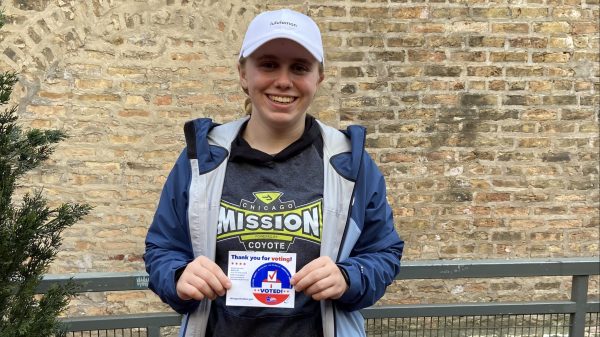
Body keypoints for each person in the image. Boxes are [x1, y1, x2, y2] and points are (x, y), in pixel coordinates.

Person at [144, 8, 404, 337]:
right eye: (268, 64)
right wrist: (179, 275)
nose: (283, 80)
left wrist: (350, 277)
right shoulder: (202, 160)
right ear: (243, 73)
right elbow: (162, 248)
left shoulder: (349, 163)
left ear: (318, 78)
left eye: (299, 67)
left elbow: (383, 251)